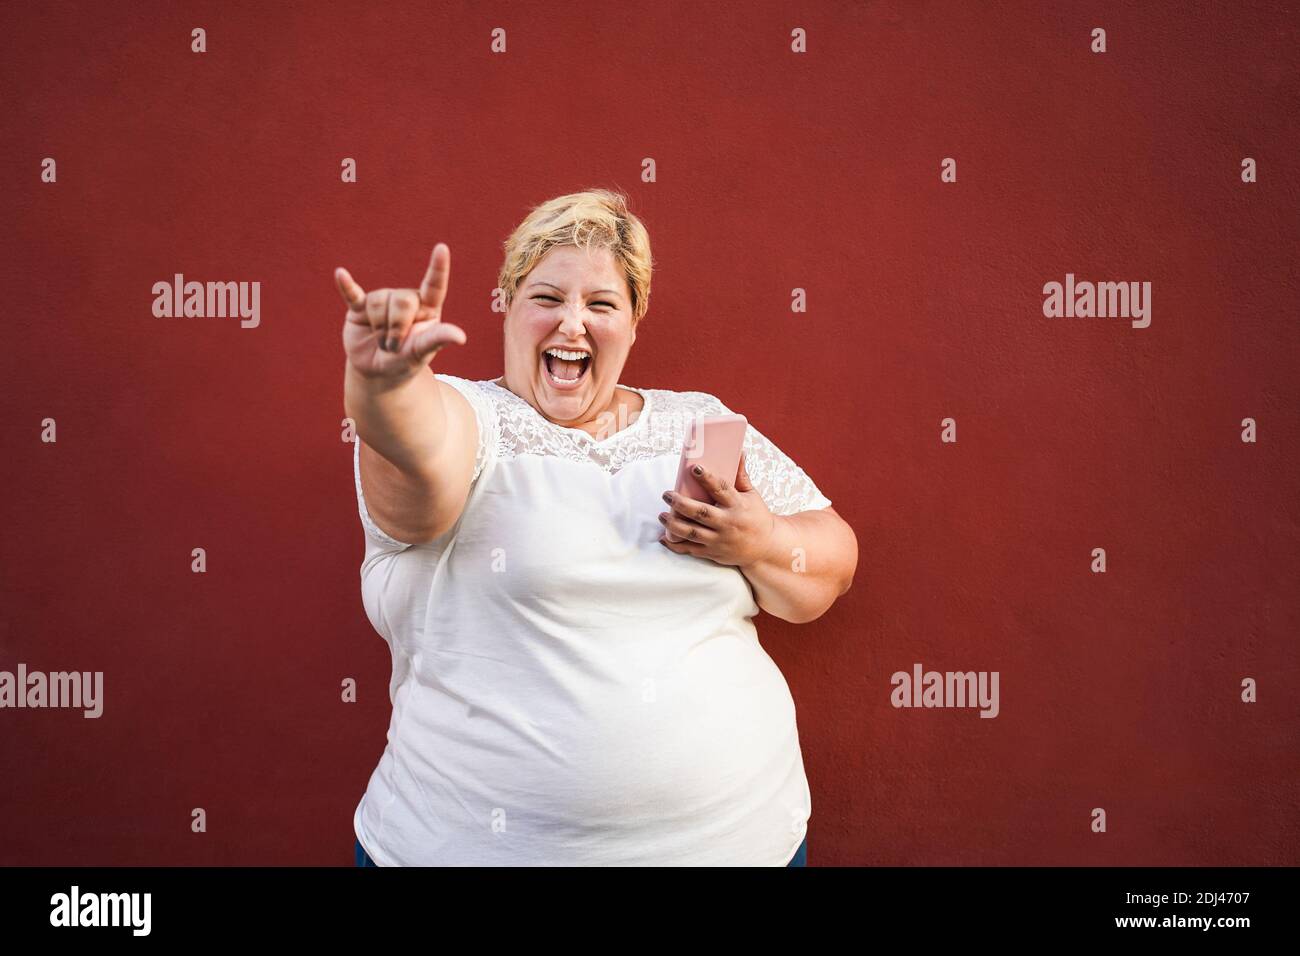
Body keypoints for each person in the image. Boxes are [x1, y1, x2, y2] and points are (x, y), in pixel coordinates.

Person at [338, 189, 857, 866]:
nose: (572, 325)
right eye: (547, 299)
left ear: (635, 321)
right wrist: (382, 390)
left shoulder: (699, 423)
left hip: (747, 841)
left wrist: (758, 542)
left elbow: (828, 568)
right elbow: (417, 481)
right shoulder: (469, 415)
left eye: (602, 304)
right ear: (509, 308)